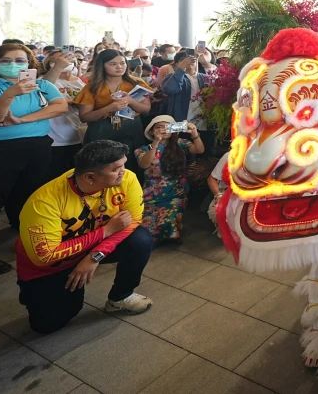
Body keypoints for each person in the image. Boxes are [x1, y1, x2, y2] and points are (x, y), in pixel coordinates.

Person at [15, 140, 153, 334]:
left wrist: (94, 256)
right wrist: (104, 232)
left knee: (140, 239)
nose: (124, 171)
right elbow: (44, 256)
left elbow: (132, 221)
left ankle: (121, 296)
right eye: (116, 168)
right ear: (89, 177)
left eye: (123, 164)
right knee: (47, 324)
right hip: (50, 264)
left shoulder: (126, 179)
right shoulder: (44, 202)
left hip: (89, 249)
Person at [0, 44, 68, 275]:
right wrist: (10, 93)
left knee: (29, 193)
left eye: (20, 60)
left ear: (29, 63)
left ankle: (23, 230)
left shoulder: (42, 85)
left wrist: (23, 120)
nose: (13, 64)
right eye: (6, 60)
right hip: (0, 148)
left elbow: (60, 106)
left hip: (37, 146)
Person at [76, 49, 152, 175]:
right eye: (113, 64)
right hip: (102, 129)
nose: (119, 67)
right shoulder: (93, 86)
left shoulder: (136, 83)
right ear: (102, 65)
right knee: (101, 167)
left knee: (131, 165)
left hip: (131, 127)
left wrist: (130, 101)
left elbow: (146, 109)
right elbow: (84, 117)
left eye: (122, 63)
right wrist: (108, 108)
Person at [136, 116, 204, 244]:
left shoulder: (180, 143)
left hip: (176, 192)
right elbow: (144, 164)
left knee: (167, 220)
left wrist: (195, 134)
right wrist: (156, 142)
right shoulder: (142, 149)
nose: (163, 129)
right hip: (151, 193)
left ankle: (165, 237)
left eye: (167, 126)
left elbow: (199, 150)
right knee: (144, 223)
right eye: (159, 127)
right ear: (151, 131)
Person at [41, 50, 87, 180]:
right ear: (50, 64)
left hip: (79, 135)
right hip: (56, 139)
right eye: (58, 60)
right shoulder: (44, 80)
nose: (64, 62)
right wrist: (72, 101)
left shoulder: (82, 81)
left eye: (68, 59)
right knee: (55, 176)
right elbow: (43, 93)